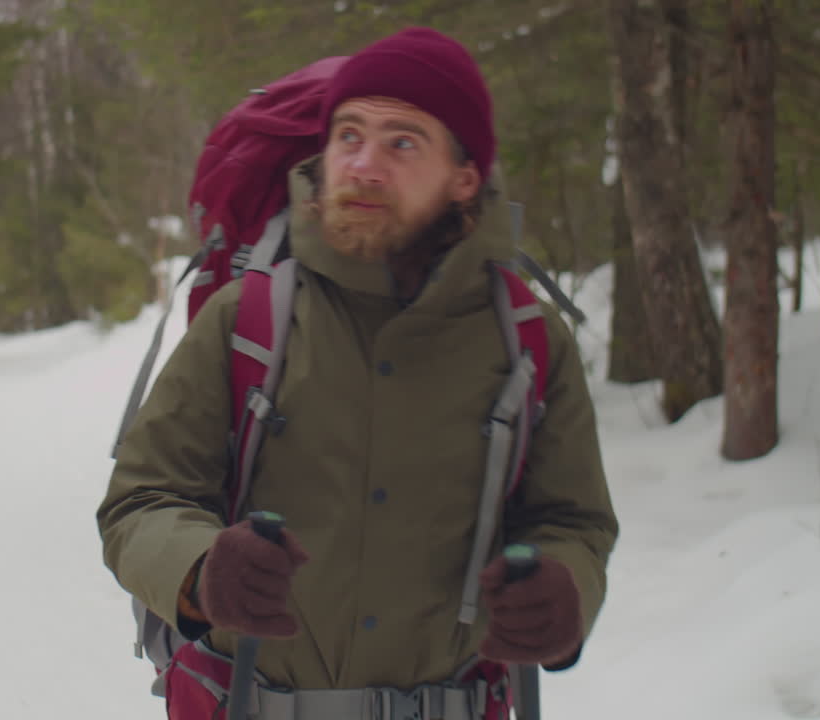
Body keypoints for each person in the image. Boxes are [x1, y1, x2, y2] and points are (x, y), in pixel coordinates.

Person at [98, 26, 618, 720]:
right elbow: (140, 500)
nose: (364, 165)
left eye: (403, 143)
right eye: (348, 136)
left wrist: (567, 590)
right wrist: (199, 568)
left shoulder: (525, 338)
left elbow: (574, 520)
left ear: (464, 177)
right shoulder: (247, 320)